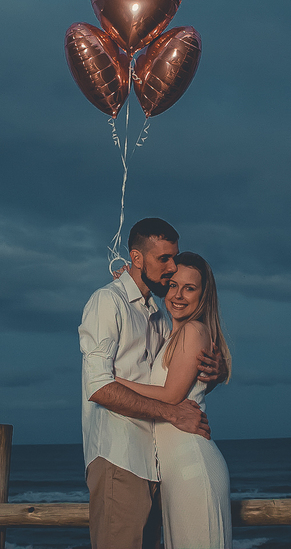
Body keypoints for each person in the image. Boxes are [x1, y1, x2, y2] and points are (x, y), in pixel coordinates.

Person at [79, 218, 226, 549]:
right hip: (120, 456)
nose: (172, 267)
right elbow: (99, 387)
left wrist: (213, 376)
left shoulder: (158, 316)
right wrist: (173, 413)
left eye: (174, 258)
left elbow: (175, 382)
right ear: (136, 258)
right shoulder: (108, 302)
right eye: (164, 259)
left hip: (155, 465)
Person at [115, 251, 233, 549]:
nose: (178, 295)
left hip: (191, 466)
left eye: (189, 288)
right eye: (172, 285)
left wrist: (110, 381)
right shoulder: (170, 334)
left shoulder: (194, 330)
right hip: (176, 470)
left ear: (203, 296)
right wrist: (131, 281)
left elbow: (171, 396)